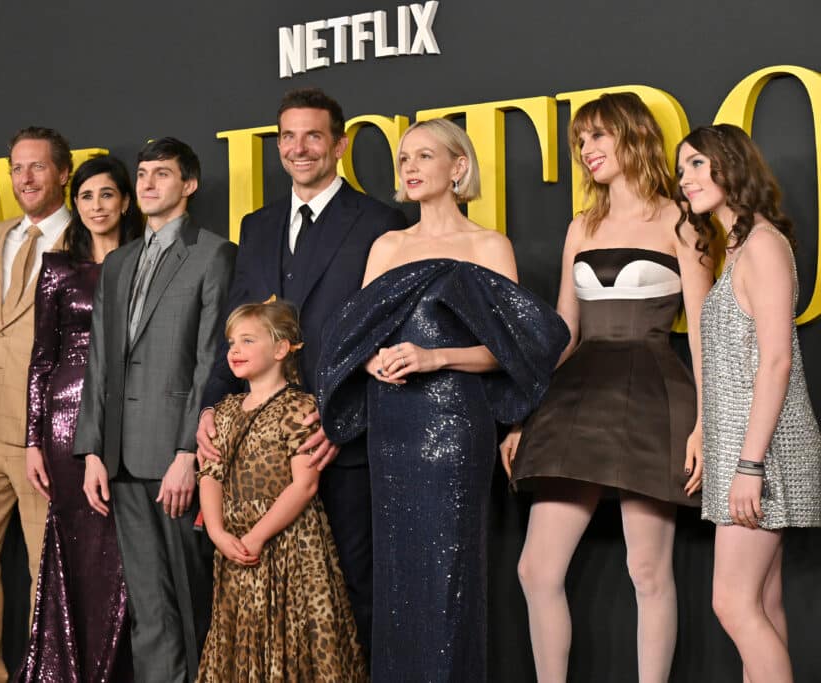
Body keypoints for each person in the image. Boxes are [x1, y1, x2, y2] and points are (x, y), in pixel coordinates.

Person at [317, 118, 569, 681]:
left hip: (456, 425)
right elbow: (354, 340)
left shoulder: (487, 245)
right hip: (392, 426)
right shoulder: (388, 245)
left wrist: (437, 358)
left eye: (423, 156)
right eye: (403, 157)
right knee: (398, 576)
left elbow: (513, 353)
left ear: (458, 168)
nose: (407, 166)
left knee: (449, 571)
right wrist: (371, 361)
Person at [499, 93, 714, 683]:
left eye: (598, 136)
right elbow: (563, 334)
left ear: (632, 136)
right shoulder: (581, 225)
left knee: (647, 568)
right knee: (536, 569)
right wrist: (521, 414)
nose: (588, 151)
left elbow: (702, 332)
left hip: (652, 394)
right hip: (577, 394)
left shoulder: (681, 219)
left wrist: (706, 423)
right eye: (580, 141)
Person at [196, 88, 407, 656]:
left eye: (313, 135)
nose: (299, 148)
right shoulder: (257, 225)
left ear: (339, 144)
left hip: (339, 442)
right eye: (288, 136)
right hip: (258, 448)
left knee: (352, 587)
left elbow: (388, 335)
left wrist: (341, 422)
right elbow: (237, 329)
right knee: (267, 588)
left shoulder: (381, 221)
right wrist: (207, 414)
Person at [75, 137, 235, 683]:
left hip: (176, 457)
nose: (147, 183)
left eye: (161, 174)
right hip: (119, 459)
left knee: (193, 604)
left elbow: (212, 360)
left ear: (188, 185)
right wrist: (93, 450)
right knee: (148, 610)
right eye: (142, 174)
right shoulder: (118, 262)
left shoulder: (213, 253)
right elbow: (99, 361)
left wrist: (188, 452)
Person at [675, 123, 821, 683]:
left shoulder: (762, 244)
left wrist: (749, 464)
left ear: (729, 164)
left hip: (764, 449)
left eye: (695, 164)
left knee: (733, 604)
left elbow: (777, 360)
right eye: (681, 168)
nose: (685, 179)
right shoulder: (735, 245)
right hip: (746, 445)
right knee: (761, 602)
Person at [15, 155, 140, 682]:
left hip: (132, 420)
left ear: (125, 202)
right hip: (66, 422)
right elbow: (42, 358)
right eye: (86, 197)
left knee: (124, 553)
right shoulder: (57, 269)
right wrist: (32, 441)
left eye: (106, 195)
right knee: (74, 548)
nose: (96, 206)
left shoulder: (145, 262)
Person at [197, 300, 366, 682]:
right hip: (236, 546)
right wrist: (217, 531)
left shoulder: (300, 409)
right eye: (231, 342)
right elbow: (210, 471)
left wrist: (256, 536)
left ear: (280, 349)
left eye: (247, 340)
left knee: (292, 635)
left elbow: (305, 485)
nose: (234, 350)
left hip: (290, 547)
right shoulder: (223, 411)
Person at [0, 126, 74, 682]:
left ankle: (41, 672)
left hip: (39, 431)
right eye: (17, 169)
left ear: (63, 173)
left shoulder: (86, 238)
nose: (25, 178)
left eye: (36, 168)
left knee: (41, 567)